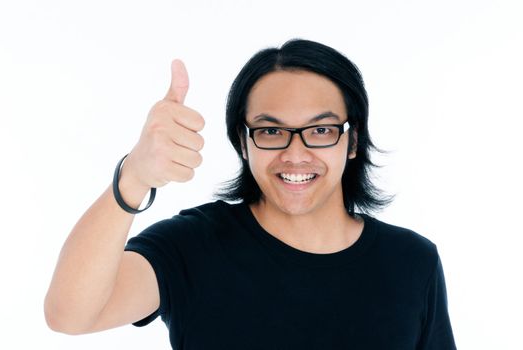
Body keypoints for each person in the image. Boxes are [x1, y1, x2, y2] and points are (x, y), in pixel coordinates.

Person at [44, 39, 457, 349]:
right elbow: (71, 315)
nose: (296, 155)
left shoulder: (412, 262)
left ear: (352, 142)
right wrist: (133, 177)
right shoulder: (192, 246)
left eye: (320, 130)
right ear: (244, 142)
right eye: (271, 131)